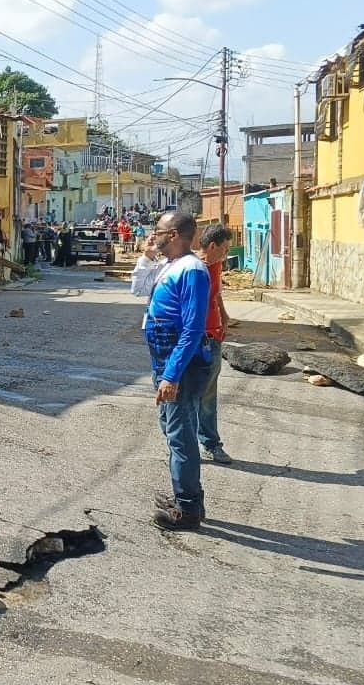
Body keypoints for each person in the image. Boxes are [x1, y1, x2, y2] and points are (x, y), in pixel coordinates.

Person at [145, 210, 213, 531]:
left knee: (181, 435)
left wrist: (171, 375)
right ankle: (186, 497)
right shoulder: (172, 265)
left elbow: (192, 329)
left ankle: (187, 509)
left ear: (173, 235)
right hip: (166, 362)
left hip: (180, 366)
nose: (153, 235)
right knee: (174, 431)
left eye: (158, 230)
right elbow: (139, 289)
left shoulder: (193, 270)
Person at [196, 224, 234, 464]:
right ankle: (184, 444)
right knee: (189, 396)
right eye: (225, 249)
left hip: (213, 337)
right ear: (212, 246)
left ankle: (210, 443)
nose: (226, 254)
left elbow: (217, 293)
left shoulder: (216, 266)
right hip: (194, 339)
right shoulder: (192, 268)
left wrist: (224, 315)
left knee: (208, 396)